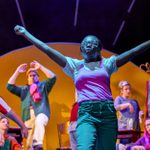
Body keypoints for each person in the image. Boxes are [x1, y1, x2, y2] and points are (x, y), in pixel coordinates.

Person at [14, 25, 150, 150]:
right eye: (85, 43)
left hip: (107, 113)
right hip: (86, 113)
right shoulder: (74, 65)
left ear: (99, 49)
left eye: (92, 43)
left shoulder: (107, 63)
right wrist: (26, 33)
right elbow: (47, 50)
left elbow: (133, 52)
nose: (88, 45)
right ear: (81, 49)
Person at [7, 61, 56, 150]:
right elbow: (9, 86)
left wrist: (40, 67)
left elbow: (53, 77)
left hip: (41, 111)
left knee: (40, 120)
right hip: (28, 115)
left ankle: (37, 143)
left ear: (38, 77)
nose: (32, 77)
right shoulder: (23, 89)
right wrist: (17, 71)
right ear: (28, 78)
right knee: (29, 143)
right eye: (30, 75)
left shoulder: (43, 86)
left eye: (35, 75)